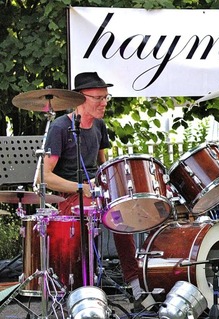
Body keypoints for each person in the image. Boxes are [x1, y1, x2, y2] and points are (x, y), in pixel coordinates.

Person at [41, 72, 153, 310]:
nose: (104, 103)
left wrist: (107, 186)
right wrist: (81, 188)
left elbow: (104, 167)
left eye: (106, 97)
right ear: (81, 98)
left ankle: (135, 286)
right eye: (99, 98)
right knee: (83, 227)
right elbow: (46, 176)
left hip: (95, 192)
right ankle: (81, 291)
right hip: (71, 195)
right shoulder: (61, 127)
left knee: (122, 216)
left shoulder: (100, 126)